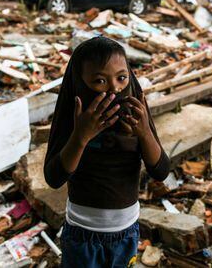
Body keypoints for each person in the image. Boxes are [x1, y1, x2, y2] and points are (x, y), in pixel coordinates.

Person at [43, 36, 170, 268]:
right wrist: (81, 136)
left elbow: (160, 170)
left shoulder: (134, 111)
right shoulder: (75, 117)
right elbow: (54, 177)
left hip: (126, 233)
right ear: (80, 83)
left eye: (121, 78)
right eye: (100, 81)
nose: (114, 89)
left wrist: (144, 133)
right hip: (82, 234)